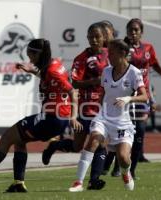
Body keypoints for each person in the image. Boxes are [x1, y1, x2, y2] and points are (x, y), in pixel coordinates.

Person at [0, 38, 83, 193]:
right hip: (55, 119)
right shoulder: (54, 64)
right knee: (19, 141)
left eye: (30, 55)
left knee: (7, 137)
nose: (29, 59)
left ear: (38, 54)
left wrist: (74, 117)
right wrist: (31, 71)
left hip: (52, 118)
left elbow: (72, 92)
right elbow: (48, 77)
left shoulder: (52, 70)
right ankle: (18, 183)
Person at [69, 39, 148, 192]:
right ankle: (78, 183)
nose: (108, 55)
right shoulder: (106, 71)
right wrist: (99, 110)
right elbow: (104, 93)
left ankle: (126, 173)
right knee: (92, 141)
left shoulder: (134, 73)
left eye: (111, 53)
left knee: (124, 158)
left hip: (123, 122)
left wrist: (129, 98)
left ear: (123, 53)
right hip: (104, 118)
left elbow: (145, 96)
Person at [41, 22, 109, 190]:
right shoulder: (81, 59)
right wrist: (94, 81)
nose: (94, 40)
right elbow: (75, 84)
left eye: (97, 37)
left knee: (100, 142)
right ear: (87, 38)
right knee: (78, 146)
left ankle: (94, 180)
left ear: (104, 38)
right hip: (85, 108)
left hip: (103, 107)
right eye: (91, 37)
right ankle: (55, 145)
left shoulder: (111, 55)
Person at [125, 18, 161, 179]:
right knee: (123, 132)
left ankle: (132, 170)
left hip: (142, 95)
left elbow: (155, 64)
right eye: (130, 30)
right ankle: (116, 164)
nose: (133, 32)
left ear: (141, 32)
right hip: (126, 95)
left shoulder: (148, 48)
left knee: (139, 131)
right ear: (127, 32)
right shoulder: (123, 48)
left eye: (136, 30)